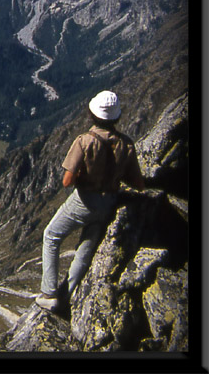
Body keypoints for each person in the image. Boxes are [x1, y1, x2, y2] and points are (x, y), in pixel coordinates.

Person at [36, 90, 146, 311]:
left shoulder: (84, 141)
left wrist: (85, 175)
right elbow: (138, 183)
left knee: (51, 235)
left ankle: (49, 293)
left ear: (92, 114)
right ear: (116, 117)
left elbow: (67, 181)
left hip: (84, 201)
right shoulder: (127, 145)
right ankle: (67, 297)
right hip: (109, 203)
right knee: (86, 248)